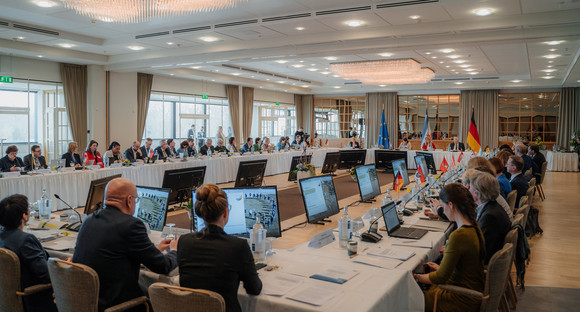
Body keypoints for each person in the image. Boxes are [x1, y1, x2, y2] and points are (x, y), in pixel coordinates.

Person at [73, 178, 177, 312]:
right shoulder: (131, 225)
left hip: (90, 302)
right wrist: (174, 250)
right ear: (129, 200)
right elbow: (163, 266)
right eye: (135, 199)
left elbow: (116, 253)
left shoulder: (89, 220)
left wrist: (154, 250)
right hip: (118, 305)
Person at [177, 184, 262, 312]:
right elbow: (254, 289)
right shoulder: (238, 246)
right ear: (226, 213)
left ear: (201, 213)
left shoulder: (184, 241)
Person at [414, 183, 485, 312]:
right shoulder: (475, 227)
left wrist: (416, 277)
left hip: (462, 299)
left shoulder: (459, 235)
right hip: (472, 289)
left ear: (451, 205)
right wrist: (441, 267)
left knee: (414, 299)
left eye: (443, 206)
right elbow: (465, 266)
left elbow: (441, 277)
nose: (443, 210)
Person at [0, 194, 58, 312]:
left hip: (7, 299)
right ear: (24, 216)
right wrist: (61, 269)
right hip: (33, 300)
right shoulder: (26, 240)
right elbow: (47, 276)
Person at [465, 170, 511, 264]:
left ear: (476, 193)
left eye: (470, 188)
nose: (468, 190)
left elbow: (481, 252)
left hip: (483, 265)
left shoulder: (490, 217)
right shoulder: (492, 206)